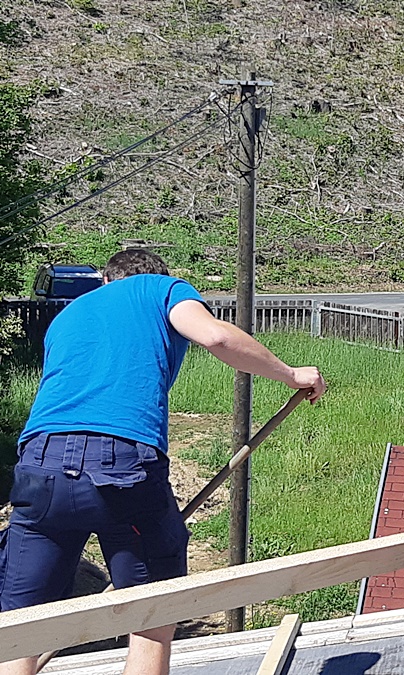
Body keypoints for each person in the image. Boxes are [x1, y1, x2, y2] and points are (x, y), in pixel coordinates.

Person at [0, 248, 326, 675]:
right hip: (120, 464)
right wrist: (292, 374)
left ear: (106, 281)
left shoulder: (70, 313)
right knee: (151, 617)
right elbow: (216, 336)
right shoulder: (161, 289)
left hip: (40, 464)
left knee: (22, 625)